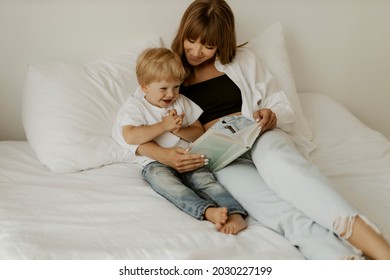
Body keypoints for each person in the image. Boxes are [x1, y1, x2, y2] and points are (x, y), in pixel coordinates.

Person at [133, 0, 390, 259]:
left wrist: (272, 114)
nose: (197, 51)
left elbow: (279, 102)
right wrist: (163, 155)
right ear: (183, 33)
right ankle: (341, 260)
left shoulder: (243, 60)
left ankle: (376, 246)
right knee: (275, 210)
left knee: (289, 170)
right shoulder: (164, 67)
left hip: (258, 135)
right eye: (192, 40)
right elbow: (130, 128)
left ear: (221, 42)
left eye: (208, 45)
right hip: (219, 156)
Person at [112, 47, 247, 234]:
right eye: (163, 88)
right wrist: (163, 126)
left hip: (188, 155)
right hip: (156, 163)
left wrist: (181, 129)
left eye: (176, 86)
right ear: (144, 86)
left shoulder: (181, 102)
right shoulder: (136, 106)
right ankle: (206, 211)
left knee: (205, 180)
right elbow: (131, 136)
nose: (171, 94)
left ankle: (234, 212)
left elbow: (198, 133)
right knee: (166, 184)